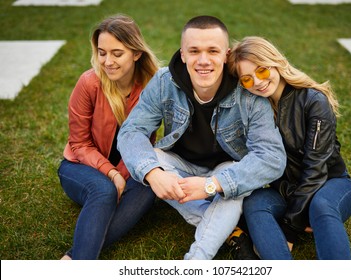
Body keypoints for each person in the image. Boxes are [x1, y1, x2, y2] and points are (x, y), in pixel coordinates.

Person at [117, 15, 286, 260]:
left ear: (226, 55)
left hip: (225, 170)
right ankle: (227, 226)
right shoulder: (164, 82)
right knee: (151, 158)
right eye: (194, 51)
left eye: (213, 51)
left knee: (236, 181)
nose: (203, 60)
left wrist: (213, 185)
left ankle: (197, 260)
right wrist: (154, 174)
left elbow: (272, 158)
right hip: (181, 168)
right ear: (183, 54)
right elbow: (132, 131)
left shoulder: (248, 92)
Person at [228, 36, 351, 259]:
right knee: (255, 203)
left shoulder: (313, 100)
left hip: (329, 184)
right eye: (247, 79)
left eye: (261, 70)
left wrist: (291, 229)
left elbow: (316, 169)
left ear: (275, 62)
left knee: (321, 204)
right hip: (285, 191)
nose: (258, 82)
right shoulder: (254, 108)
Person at [57, 14, 160, 260]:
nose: (107, 61)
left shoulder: (151, 88)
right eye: (102, 52)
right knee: (104, 190)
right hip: (79, 166)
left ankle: (73, 257)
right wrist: (112, 173)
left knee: (149, 188)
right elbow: (79, 144)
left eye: (117, 53)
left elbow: (145, 142)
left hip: (127, 168)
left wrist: (123, 174)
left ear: (136, 53)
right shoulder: (89, 82)